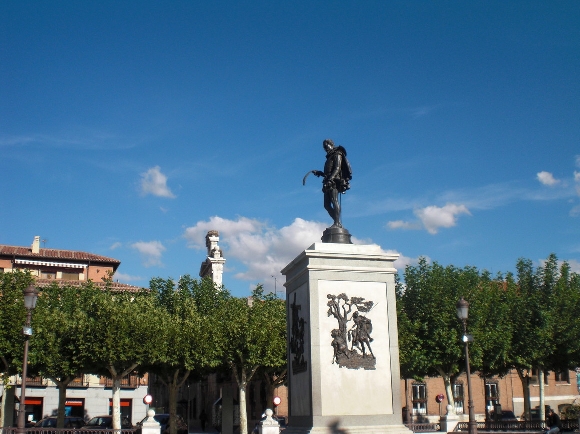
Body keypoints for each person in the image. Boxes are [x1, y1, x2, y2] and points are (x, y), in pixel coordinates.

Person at [313, 139, 352, 228]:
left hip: (334, 181)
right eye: (324, 147)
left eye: (326, 146)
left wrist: (330, 179)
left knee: (334, 200)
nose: (325, 148)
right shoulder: (329, 157)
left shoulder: (337, 153)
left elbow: (337, 168)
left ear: (331, 144)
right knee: (326, 205)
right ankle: (337, 221)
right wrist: (320, 173)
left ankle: (337, 223)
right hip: (328, 180)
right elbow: (328, 172)